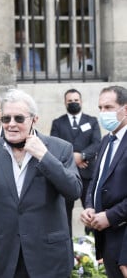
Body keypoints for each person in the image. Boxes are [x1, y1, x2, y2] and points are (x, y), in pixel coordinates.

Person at [0, 88, 82, 278]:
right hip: (7, 257)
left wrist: (44, 156)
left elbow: (74, 191)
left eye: (19, 119)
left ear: (34, 120)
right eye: (6, 119)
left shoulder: (59, 148)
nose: (11, 124)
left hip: (50, 258)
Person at [80, 85, 127, 278]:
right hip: (106, 239)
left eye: (108, 108)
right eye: (100, 108)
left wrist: (110, 216)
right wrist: (90, 206)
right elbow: (96, 180)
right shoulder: (107, 140)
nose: (102, 113)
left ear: (125, 109)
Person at [50, 89, 101, 235]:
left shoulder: (91, 121)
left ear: (81, 101)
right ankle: (68, 245)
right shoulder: (58, 123)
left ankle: (91, 242)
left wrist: (82, 156)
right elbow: (54, 144)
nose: (73, 103)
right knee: (64, 213)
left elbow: (97, 143)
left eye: (76, 100)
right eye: (70, 101)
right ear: (65, 103)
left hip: (88, 173)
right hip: (66, 174)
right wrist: (74, 159)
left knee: (90, 211)